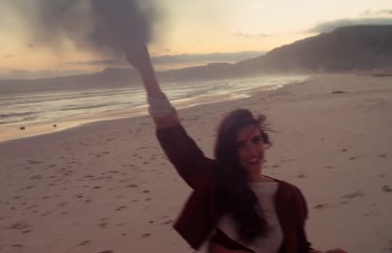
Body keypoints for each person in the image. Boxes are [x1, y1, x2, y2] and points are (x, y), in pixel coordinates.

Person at [124, 43, 347, 253]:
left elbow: (299, 248)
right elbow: (170, 129)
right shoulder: (215, 181)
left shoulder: (289, 196)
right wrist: (146, 71)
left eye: (256, 140)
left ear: (264, 141)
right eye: (240, 145)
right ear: (229, 151)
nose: (251, 152)